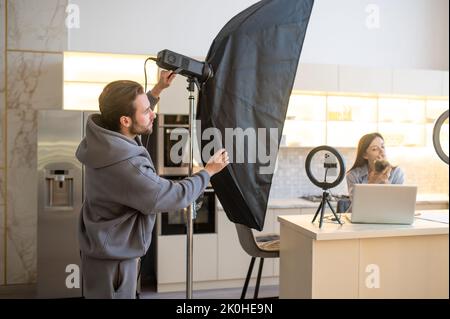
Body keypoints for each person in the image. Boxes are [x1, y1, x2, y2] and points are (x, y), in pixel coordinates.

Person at [75, 72, 229, 299]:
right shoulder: (127, 165)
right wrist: (209, 171)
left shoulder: (102, 139)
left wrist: (156, 91)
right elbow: (174, 195)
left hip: (102, 250)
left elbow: (134, 116)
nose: (153, 114)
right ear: (125, 120)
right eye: (147, 111)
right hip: (114, 261)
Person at [346, 132, 405, 199]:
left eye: (382, 146)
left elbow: (397, 201)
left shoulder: (397, 173)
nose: (381, 151)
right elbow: (356, 202)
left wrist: (385, 182)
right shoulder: (353, 176)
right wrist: (372, 183)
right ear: (365, 155)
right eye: (374, 149)